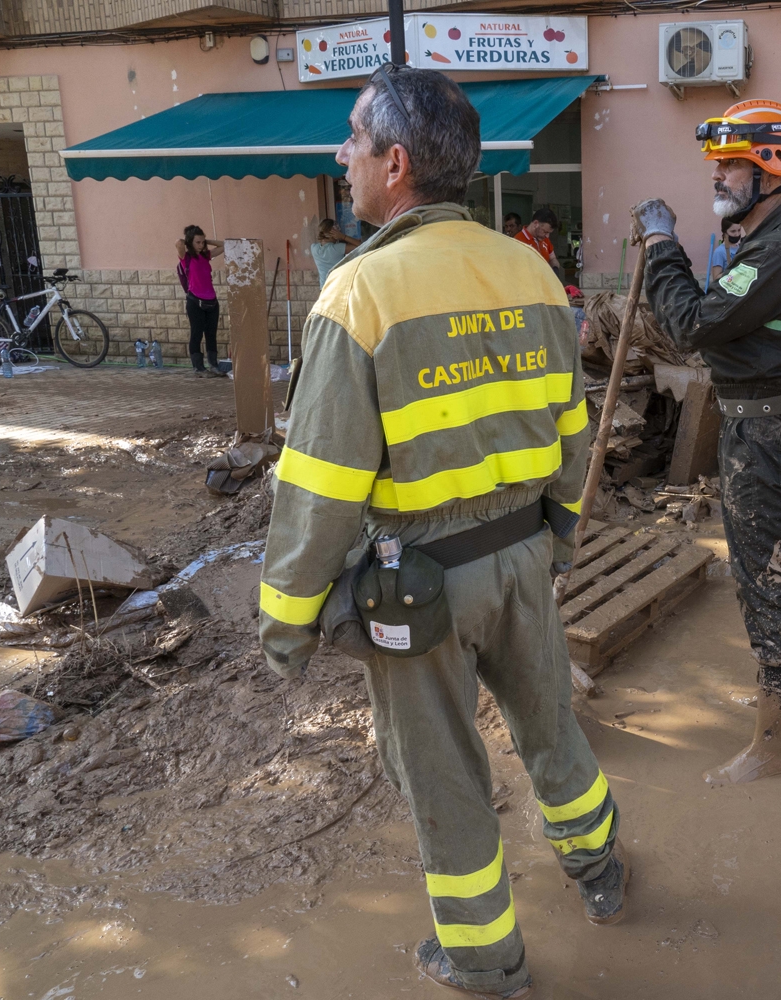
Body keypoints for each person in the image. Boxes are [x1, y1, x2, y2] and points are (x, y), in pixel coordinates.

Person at [257, 66, 623, 999]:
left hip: (415, 584)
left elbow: (320, 489)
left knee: (447, 776)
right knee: (549, 723)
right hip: (523, 556)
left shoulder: (359, 294)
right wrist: (560, 541)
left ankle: (483, 961)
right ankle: (601, 869)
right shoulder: (532, 271)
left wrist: (287, 624)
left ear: (397, 162)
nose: (342, 158)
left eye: (352, 140)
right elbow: (573, 433)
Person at [632, 98, 781, 785]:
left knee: (770, 574)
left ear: (772, 170)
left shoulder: (779, 251)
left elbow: (690, 324)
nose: (718, 178)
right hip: (777, 421)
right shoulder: (770, 245)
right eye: (717, 166)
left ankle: (777, 745)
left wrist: (662, 246)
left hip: (770, 432)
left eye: (732, 166)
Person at [174, 225, 227, 378]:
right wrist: (189, 241)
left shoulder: (206, 255)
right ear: (190, 243)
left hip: (211, 301)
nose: (201, 245)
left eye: (202, 242)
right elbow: (178, 242)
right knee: (197, 333)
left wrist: (207, 240)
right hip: (195, 301)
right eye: (198, 242)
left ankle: (214, 365)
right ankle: (199, 368)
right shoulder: (186, 258)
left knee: (211, 334)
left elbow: (223, 246)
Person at [514, 206, 564, 281]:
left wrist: (555, 269)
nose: (547, 236)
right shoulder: (518, 241)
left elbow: (552, 258)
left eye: (549, 233)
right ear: (536, 223)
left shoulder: (545, 240)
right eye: (545, 232)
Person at [310, 218, 362, 287]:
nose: (340, 230)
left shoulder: (313, 248)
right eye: (337, 229)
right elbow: (361, 245)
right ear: (332, 232)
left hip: (324, 287)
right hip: (337, 286)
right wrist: (343, 237)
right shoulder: (338, 248)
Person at [708, 219, 744, 285]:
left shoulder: (741, 247)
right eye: (733, 231)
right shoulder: (719, 252)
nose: (737, 234)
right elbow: (716, 278)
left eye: (739, 230)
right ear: (725, 232)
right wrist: (735, 272)